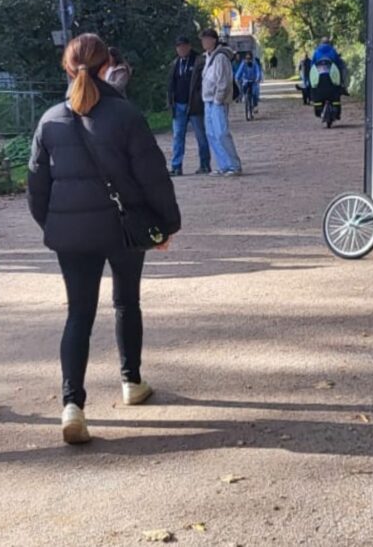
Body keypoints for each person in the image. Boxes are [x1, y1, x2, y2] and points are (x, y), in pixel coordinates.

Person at [27, 33, 181, 445]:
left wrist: (54, 225)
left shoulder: (50, 119)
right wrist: (166, 225)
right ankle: (131, 380)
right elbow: (153, 176)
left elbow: (36, 187)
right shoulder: (126, 115)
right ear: (106, 65)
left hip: (71, 235)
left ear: (67, 66)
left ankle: (72, 403)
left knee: (79, 313)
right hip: (123, 227)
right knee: (126, 301)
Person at [200, 28, 243, 176]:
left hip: (217, 101)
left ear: (213, 40)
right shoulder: (207, 57)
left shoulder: (220, 58)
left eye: (206, 39)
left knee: (221, 133)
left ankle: (234, 165)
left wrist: (218, 99)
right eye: (202, 40)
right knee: (211, 134)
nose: (204, 42)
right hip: (208, 100)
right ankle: (223, 164)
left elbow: (223, 81)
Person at [166, 36, 211, 176]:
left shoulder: (199, 61)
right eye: (179, 47)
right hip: (178, 104)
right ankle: (176, 166)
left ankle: (204, 164)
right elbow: (170, 84)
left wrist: (200, 98)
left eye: (184, 46)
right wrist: (170, 101)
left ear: (189, 46)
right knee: (178, 136)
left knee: (201, 136)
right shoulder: (175, 63)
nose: (181, 49)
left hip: (194, 105)